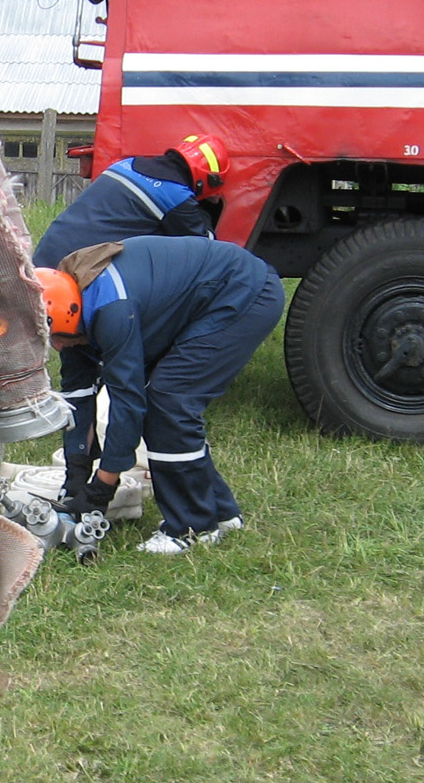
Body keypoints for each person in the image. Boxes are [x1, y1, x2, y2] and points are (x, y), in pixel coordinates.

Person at [37, 234, 283, 554]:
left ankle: (191, 527)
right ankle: (221, 512)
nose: (57, 347)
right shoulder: (70, 315)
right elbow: (77, 401)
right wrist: (75, 482)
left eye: (56, 337)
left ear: (69, 314)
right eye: (48, 338)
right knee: (165, 400)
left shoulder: (110, 310)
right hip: (207, 294)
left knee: (169, 400)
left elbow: (128, 404)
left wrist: (100, 490)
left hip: (245, 290)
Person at [32, 132, 229, 268]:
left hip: (46, 252)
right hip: (71, 269)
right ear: (207, 179)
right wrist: (205, 210)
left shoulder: (127, 165)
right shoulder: (175, 196)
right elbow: (206, 247)